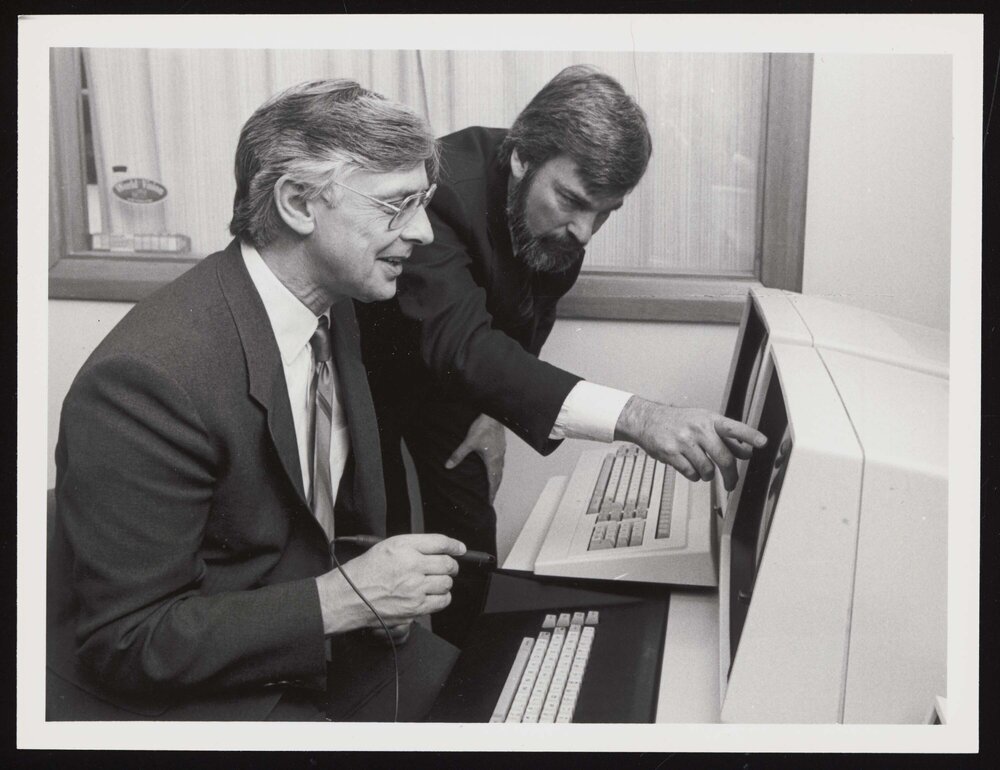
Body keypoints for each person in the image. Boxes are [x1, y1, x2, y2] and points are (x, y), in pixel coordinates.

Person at [47, 79, 465, 721]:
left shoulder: (333, 301)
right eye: (398, 204)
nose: (425, 232)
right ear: (299, 203)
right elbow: (127, 641)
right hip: (205, 691)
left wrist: (367, 593)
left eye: (425, 201)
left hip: (311, 637)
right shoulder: (145, 379)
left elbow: (320, 510)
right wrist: (349, 599)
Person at [357, 64, 767, 645]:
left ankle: (468, 690)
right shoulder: (441, 190)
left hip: (460, 382)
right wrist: (639, 417)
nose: (585, 233)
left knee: (471, 549)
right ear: (521, 156)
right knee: (379, 558)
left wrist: (495, 411)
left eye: (604, 213)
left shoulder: (564, 224)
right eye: (572, 202)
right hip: (368, 384)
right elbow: (463, 344)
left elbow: (527, 321)